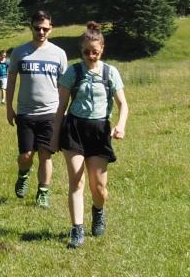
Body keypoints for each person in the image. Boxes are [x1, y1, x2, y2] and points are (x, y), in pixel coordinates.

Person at [52, 21, 129, 249]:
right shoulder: (73, 72)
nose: (90, 56)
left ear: (102, 49)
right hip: (74, 130)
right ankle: (77, 230)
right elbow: (61, 107)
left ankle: (98, 211)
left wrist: (121, 125)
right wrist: (55, 136)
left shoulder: (110, 72)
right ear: (81, 51)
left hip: (99, 132)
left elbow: (124, 105)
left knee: (99, 188)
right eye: (86, 52)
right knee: (76, 181)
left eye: (94, 52)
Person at [5, 10, 68, 208]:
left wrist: (63, 112)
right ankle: (23, 174)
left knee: (45, 155)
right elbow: (12, 80)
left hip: (50, 113)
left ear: (51, 29)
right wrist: (9, 107)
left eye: (45, 29)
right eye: (37, 28)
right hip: (26, 113)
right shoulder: (19, 52)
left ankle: (43, 192)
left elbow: (64, 86)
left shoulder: (59, 54)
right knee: (26, 156)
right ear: (30, 27)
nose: (41, 32)